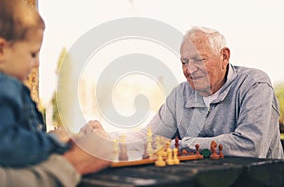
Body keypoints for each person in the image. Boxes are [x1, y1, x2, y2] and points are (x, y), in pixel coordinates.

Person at [0, 0, 110, 186]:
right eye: (32, 54)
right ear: (0, 50)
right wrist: (53, 141)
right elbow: (7, 148)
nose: (37, 63)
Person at [106, 26, 284, 159]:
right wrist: (107, 138)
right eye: (184, 62)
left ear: (224, 56)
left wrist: (181, 146)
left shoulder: (254, 84)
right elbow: (150, 137)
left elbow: (251, 146)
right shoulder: (180, 94)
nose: (190, 70)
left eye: (199, 59)